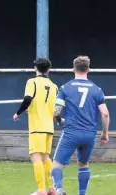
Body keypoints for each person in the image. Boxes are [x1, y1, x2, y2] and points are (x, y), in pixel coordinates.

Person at [51, 56, 110, 195]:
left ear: (73, 69)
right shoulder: (97, 90)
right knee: (83, 165)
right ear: (89, 69)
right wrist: (104, 133)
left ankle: (59, 189)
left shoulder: (65, 88)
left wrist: (60, 121)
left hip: (71, 131)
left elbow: (56, 112)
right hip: (89, 134)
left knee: (57, 165)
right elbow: (105, 113)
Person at [13, 58, 58, 195]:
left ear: (35, 69)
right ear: (49, 70)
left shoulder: (32, 82)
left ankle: (41, 189)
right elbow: (54, 108)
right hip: (49, 127)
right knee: (46, 157)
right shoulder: (54, 86)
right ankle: (52, 188)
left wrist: (18, 112)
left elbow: (28, 99)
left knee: (36, 156)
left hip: (37, 126)